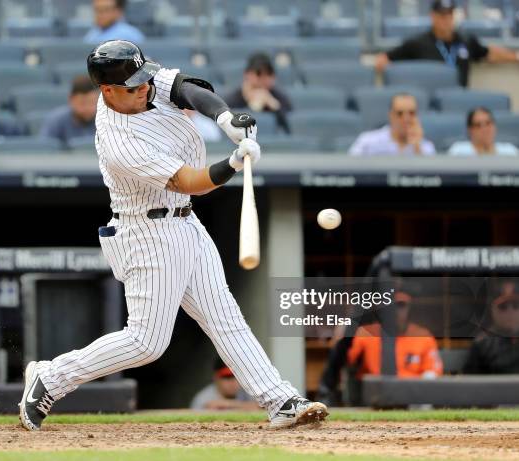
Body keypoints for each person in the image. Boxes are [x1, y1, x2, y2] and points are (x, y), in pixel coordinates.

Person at [18, 40, 328, 431]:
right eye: (133, 86)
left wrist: (224, 117)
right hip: (147, 231)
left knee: (224, 316)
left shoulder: (139, 81)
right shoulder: (119, 141)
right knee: (146, 342)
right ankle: (51, 376)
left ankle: (279, 400)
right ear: (107, 91)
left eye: (143, 79)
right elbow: (188, 182)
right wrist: (232, 162)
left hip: (184, 224)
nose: (144, 87)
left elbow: (185, 87)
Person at [374, 0, 519, 87]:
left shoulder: (466, 40)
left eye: (449, 14)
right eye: (442, 15)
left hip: (459, 97)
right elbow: (383, 60)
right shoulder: (417, 43)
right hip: (431, 100)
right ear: (432, 16)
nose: (446, 19)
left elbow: (489, 53)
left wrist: (515, 57)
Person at [347, 291, 443, 379]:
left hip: (411, 393)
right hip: (375, 393)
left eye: (400, 305)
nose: (395, 311)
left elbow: (433, 371)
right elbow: (345, 360)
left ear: (409, 309)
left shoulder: (423, 336)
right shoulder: (365, 333)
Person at [224, 53, 292, 134]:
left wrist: (273, 105)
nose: (264, 78)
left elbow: (289, 127)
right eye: (258, 73)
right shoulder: (232, 99)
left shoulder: (279, 97)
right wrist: (252, 105)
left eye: (269, 74)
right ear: (247, 74)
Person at [349, 93, 436, 156]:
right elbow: (350, 167)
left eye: (411, 113)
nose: (406, 119)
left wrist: (417, 147)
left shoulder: (426, 147)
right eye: (400, 113)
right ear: (391, 115)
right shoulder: (367, 141)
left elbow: (431, 177)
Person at [463, 283, 519, 374]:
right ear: (493, 311)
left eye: (516, 305)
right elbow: (471, 383)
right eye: (503, 306)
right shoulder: (483, 343)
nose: (510, 311)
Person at [40, 75, 99, 147]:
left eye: (92, 102)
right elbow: (46, 149)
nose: (87, 108)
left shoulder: (105, 119)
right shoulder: (56, 120)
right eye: (82, 103)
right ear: (71, 99)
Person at [190, 358, 259, 411]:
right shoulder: (203, 398)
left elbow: (263, 409)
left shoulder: (247, 392)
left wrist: (228, 404)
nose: (233, 382)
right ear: (216, 378)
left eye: (237, 377)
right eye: (227, 377)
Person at [448, 107, 518, 156]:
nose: (484, 129)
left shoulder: (510, 151)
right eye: (478, 125)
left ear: (495, 126)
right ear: (470, 130)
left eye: (488, 123)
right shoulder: (458, 151)